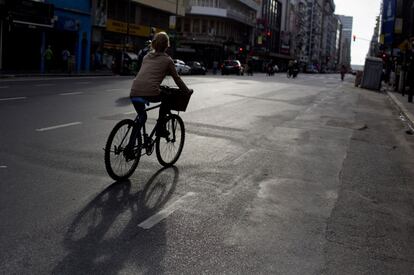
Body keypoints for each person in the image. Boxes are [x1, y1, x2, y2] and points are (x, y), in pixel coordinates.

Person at [129, 32, 191, 150]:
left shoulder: (146, 56)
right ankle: (161, 128)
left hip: (134, 91)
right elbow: (177, 79)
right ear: (166, 45)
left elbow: (147, 76)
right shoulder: (168, 60)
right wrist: (187, 91)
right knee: (168, 98)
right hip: (151, 91)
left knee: (142, 117)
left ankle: (131, 145)